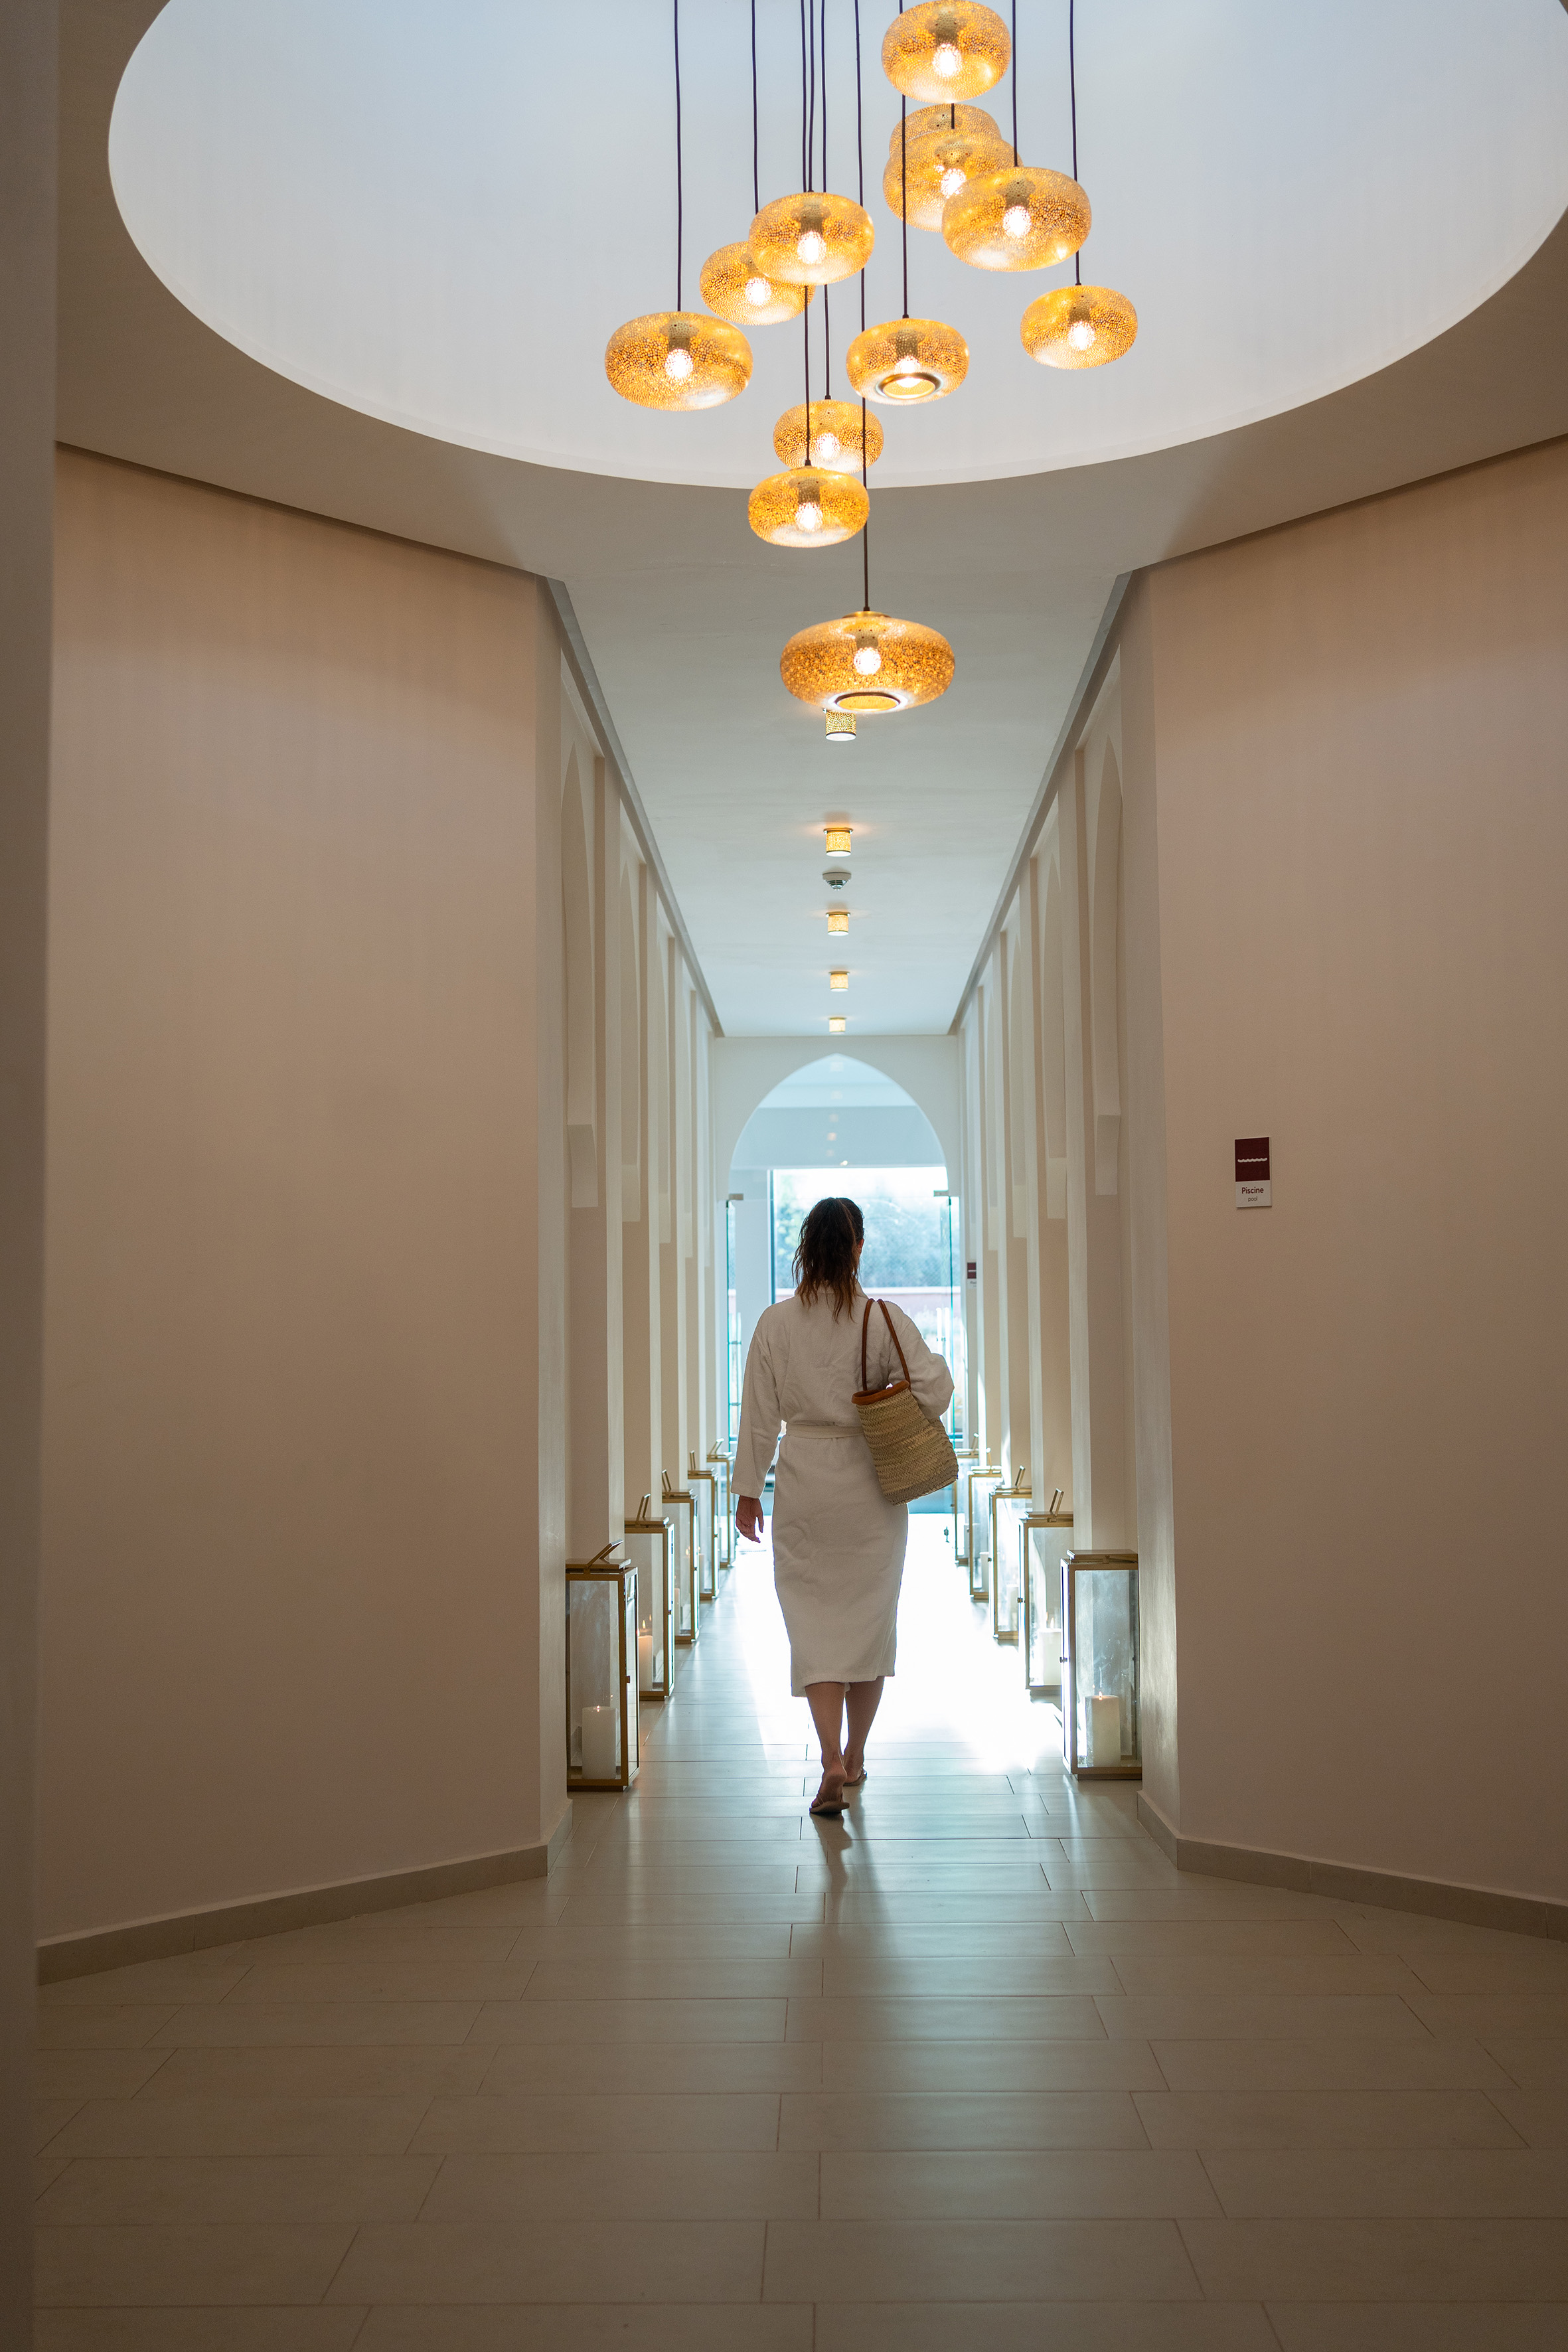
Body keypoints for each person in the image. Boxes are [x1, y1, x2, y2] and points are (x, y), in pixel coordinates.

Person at [734, 1195, 955, 1818]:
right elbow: (937, 1389)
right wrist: (893, 1388)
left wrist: (749, 1489)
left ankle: (828, 1753)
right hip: (869, 1491)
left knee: (815, 1628)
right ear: (858, 1247)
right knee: (866, 1626)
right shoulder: (880, 1319)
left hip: (804, 1484)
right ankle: (856, 1756)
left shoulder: (776, 1323)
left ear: (805, 1247)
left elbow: (757, 1416)